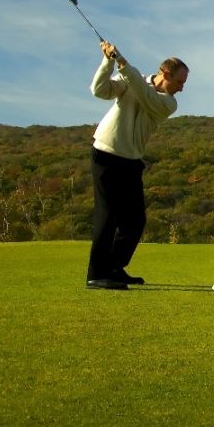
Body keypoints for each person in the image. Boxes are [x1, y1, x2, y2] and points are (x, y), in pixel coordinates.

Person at [86, 40, 188, 290]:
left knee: (135, 221)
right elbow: (99, 90)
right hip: (106, 153)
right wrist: (108, 61)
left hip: (131, 160)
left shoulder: (168, 103)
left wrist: (122, 62)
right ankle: (96, 274)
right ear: (165, 74)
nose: (182, 88)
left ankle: (114, 267)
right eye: (179, 82)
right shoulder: (133, 79)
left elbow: (145, 94)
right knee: (107, 216)